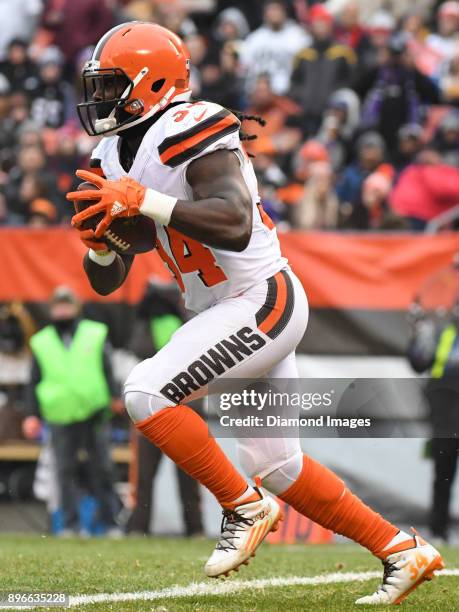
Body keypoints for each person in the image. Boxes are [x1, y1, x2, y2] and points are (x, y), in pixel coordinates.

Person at [67, 21, 443, 604]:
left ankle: (242, 506)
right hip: (221, 308)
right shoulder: (110, 153)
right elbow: (115, 269)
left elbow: (235, 224)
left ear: (153, 83)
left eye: (112, 83)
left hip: (261, 298)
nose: (100, 98)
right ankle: (403, 550)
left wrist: (143, 200)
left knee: (145, 391)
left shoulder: (190, 125)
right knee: (278, 463)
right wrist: (100, 241)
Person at [22, 286, 123, 536]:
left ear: (76, 307)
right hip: (60, 413)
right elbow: (33, 380)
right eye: (58, 305)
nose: (62, 310)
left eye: (67, 304)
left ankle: (110, 523)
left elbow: (107, 368)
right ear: (51, 308)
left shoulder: (94, 333)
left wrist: (114, 397)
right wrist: (31, 414)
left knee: (102, 468)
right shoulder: (41, 340)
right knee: (64, 471)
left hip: (94, 410)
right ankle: (69, 525)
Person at [126, 277, 203, 537]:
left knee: (189, 475)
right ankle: (139, 527)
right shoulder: (149, 322)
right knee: (145, 476)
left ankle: (194, 528)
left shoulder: (194, 320)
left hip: (185, 408)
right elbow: (141, 349)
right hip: (154, 409)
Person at [407, 289, 459, 544]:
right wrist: (417, 333)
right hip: (445, 416)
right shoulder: (442, 333)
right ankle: (439, 532)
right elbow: (419, 361)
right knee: (443, 475)